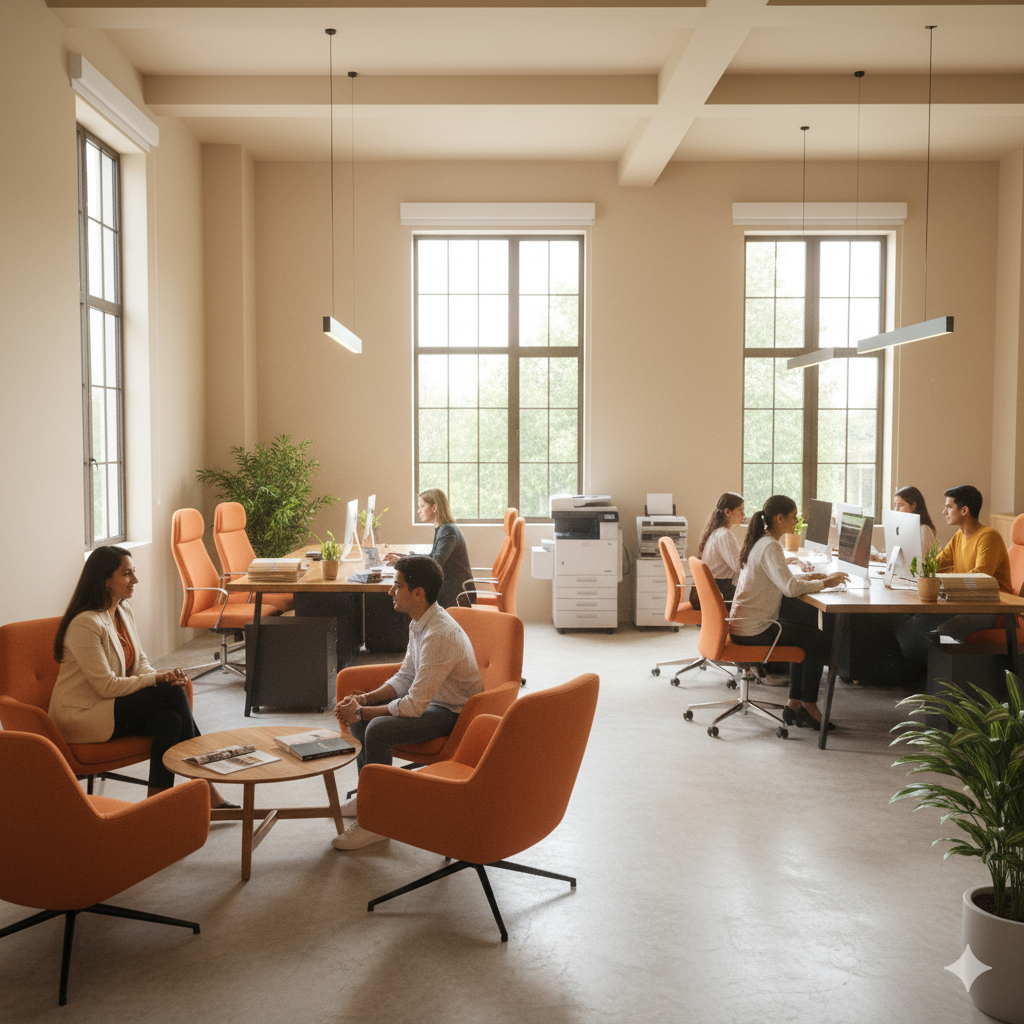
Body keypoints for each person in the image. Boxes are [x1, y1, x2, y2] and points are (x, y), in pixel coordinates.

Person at [49, 546, 233, 808]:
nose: (135, 580)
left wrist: (161, 674)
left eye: (133, 572)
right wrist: (158, 680)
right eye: (126, 574)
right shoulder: (85, 623)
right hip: (83, 715)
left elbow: (140, 663)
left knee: (170, 720)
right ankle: (207, 782)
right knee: (171, 691)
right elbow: (107, 685)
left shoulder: (123, 611)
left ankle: (156, 806)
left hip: (109, 706)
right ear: (105, 580)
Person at [331, 555, 483, 849]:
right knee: (364, 723)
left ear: (418, 593)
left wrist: (361, 711)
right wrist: (365, 698)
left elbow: (413, 705)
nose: (390, 592)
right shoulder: (421, 622)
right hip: (434, 701)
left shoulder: (439, 633)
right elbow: (406, 676)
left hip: (455, 713)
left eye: (396, 585)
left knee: (375, 728)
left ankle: (378, 822)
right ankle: (371, 799)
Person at [729, 495, 849, 730]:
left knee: (807, 632)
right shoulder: (770, 545)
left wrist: (812, 577)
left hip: (746, 624)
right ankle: (808, 707)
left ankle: (795, 704)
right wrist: (827, 583)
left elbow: (780, 580)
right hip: (755, 629)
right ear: (780, 518)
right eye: (793, 518)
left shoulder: (761, 540)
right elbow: (790, 588)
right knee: (815, 639)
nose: (796, 523)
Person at [896, 485, 1013, 685]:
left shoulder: (988, 537)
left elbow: (980, 577)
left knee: (944, 631)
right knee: (913, 625)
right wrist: (905, 565)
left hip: (992, 608)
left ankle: (943, 687)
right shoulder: (959, 536)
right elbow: (935, 564)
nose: (944, 512)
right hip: (963, 602)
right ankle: (927, 683)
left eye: (949, 507)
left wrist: (943, 580)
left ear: (964, 510)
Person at [383, 488, 475, 608]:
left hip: (455, 594)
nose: (418, 511)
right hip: (450, 588)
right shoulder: (443, 528)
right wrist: (404, 557)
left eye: (422, 506)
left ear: (434, 508)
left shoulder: (448, 531)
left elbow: (435, 562)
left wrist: (402, 561)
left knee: (410, 595)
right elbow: (432, 556)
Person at [695, 492, 745, 604]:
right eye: (740, 511)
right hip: (722, 591)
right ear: (727, 512)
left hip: (715, 589)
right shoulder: (724, 535)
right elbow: (739, 566)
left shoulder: (717, 532)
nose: (744, 514)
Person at [894, 485, 938, 554]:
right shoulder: (902, 528)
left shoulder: (924, 530)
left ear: (913, 506)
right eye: (895, 505)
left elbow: (921, 560)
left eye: (900, 505)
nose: (896, 510)